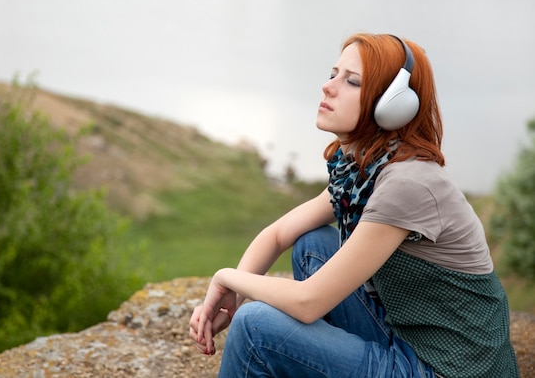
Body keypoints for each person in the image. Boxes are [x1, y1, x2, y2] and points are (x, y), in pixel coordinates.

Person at [188, 33, 519, 377]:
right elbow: (279, 234)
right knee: (312, 245)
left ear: (393, 105)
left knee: (254, 328)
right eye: (334, 74)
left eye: (352, 81)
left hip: (444, 368)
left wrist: (228, 278)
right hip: (408, 337)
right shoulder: (368, 168)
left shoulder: (407, 184)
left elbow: (308, 302)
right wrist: (233, 296)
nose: (328, 87)